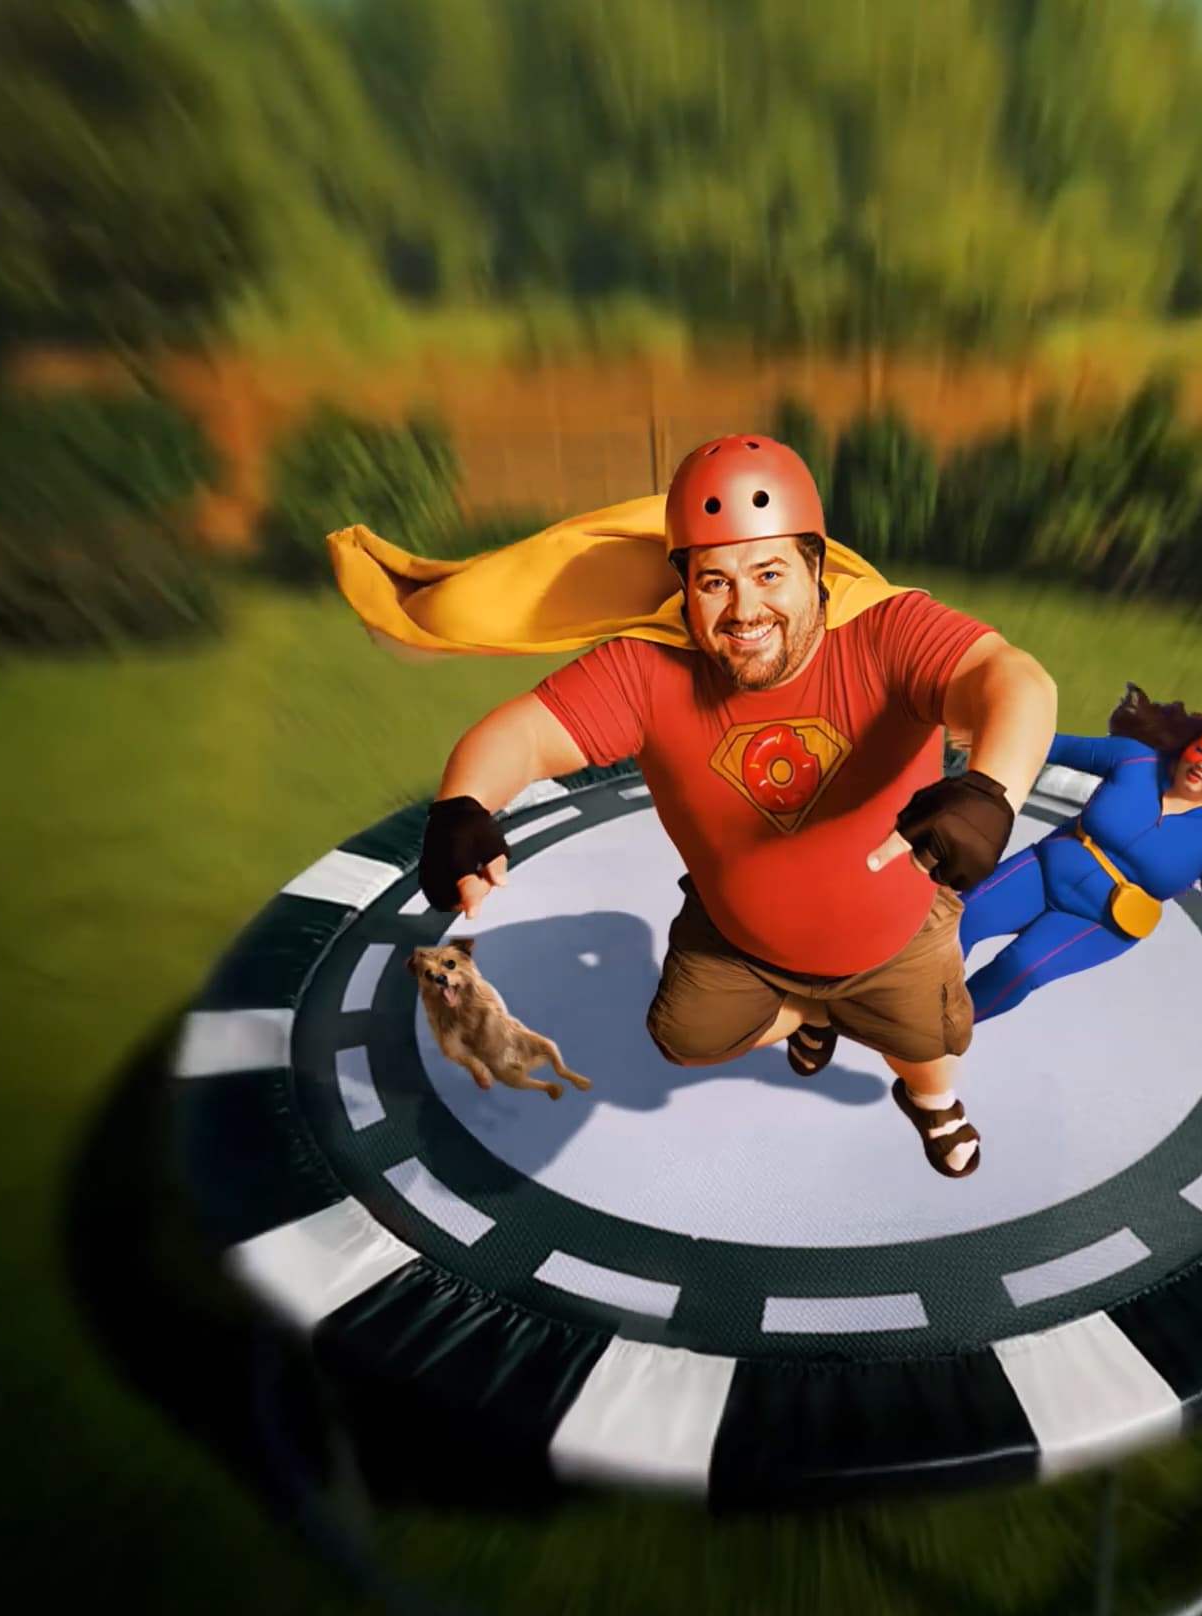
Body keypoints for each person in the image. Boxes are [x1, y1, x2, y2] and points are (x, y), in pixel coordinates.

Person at [412, 434, 1058, 1179]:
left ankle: (931, 1103)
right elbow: (524, 734)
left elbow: (1011, 677)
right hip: (738, 941)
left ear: (817, 568)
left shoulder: (885, 631)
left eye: (769, 572)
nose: (745, 609)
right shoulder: (648, 665)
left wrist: (989, 791)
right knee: (684, 1037)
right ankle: (816, 1013)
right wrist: (462, 803)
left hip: (897, 937)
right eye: (715, 581)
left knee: (925, 1046)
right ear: (685, 587)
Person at [957, 682, 1202, 1026]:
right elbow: (1058, 747)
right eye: (1201, 752)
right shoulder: (1135, 760)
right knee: (961, 916)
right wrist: (994, 738)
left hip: (1100, 922)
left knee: (1020, 967)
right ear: (1188, 746)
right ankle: (916, 996)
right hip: (1042, 872)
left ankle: (940, 1032)